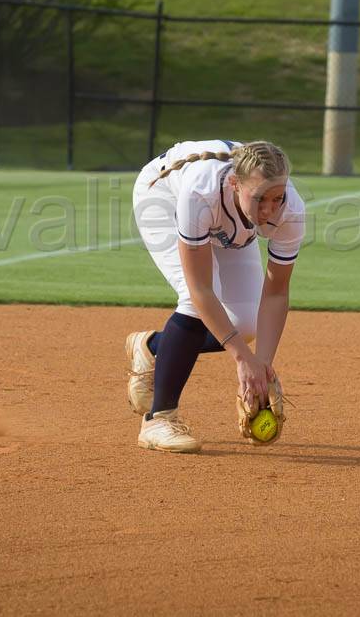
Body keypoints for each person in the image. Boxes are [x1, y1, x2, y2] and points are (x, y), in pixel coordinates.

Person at [126, 139, 304, 453]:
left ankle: (153, 346)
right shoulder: (200, 192)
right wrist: (241, 359)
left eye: (278, 198)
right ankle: (158, 419)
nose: (269, 210)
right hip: (163, 200)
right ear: (235, 183)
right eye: (260, 198)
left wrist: (261, 366)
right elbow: (201, 290)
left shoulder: (289, 211)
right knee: (194, 303)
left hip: (230, 222)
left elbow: (276, 293)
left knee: (246, 323)